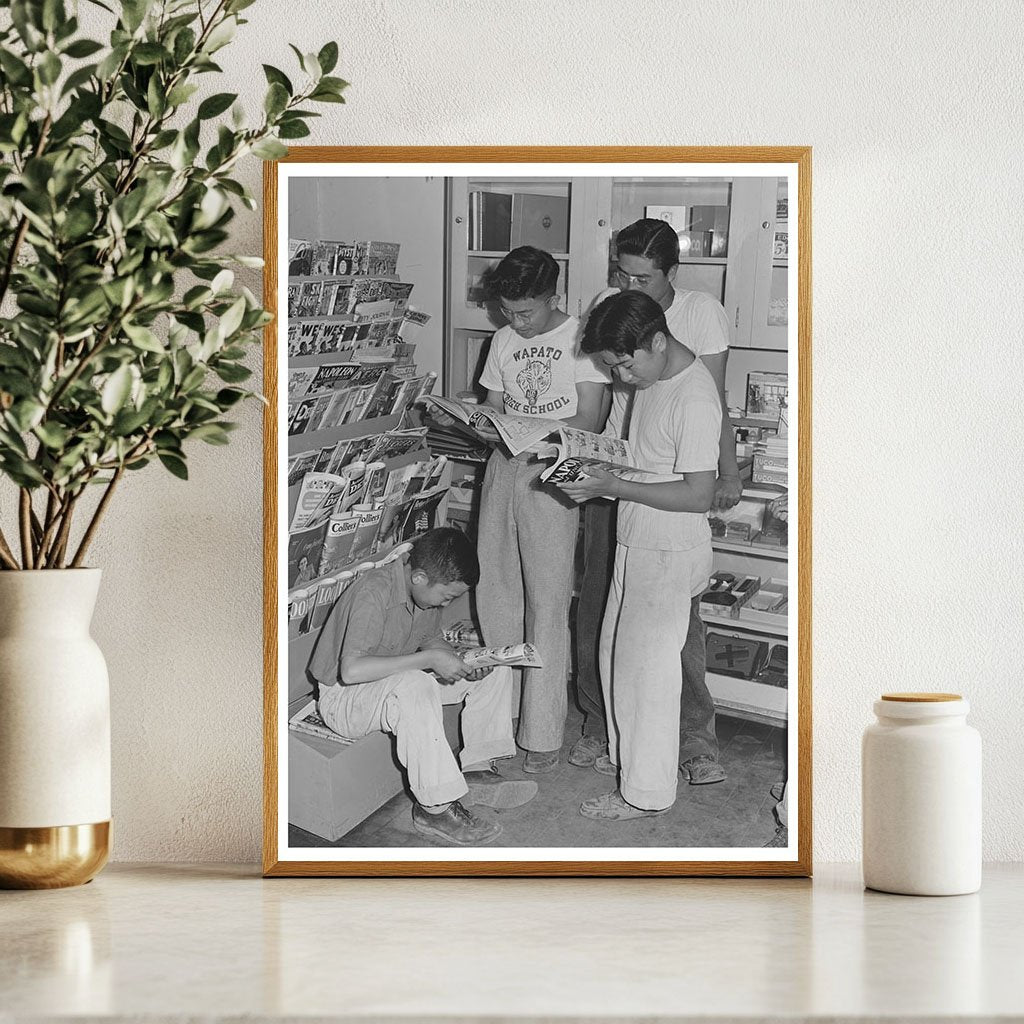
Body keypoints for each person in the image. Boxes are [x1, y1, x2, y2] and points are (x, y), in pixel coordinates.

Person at [569, 218, 739, 782]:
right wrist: (603, 467)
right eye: (621, 273)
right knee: (624, 649)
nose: (626, 283)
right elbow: (640, 440)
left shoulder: (686, 379)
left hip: (663, 531)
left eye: (640, 276)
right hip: (637, 516)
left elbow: (695, 481)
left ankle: (667, 767)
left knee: (654, 665)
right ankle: (623, 753)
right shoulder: (649, 378)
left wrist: (616, 483)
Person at [307, 528, 537, 846]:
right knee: (414, 685)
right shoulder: (374, 591)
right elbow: (352, 670)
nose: (448, 602)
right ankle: (434, 808)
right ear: (419, 577)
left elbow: (430, 639)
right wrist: (430, 658)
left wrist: (462, 661)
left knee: (493, 672)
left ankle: (478, 769)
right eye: (448, 596)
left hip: (386, 685)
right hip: (345, 699)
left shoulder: (421, 591)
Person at [473, 246, 608, 774]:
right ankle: (497, 720)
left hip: (554, 473)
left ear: (553, 298)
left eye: (525, 311)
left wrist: (540, 435)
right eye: (507, 310)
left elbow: (593, 419)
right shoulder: (503, 339)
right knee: (497, 592)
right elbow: (492, 407)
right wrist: (477, 420)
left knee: (548, 603)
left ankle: (542, 731)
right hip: (504, 468)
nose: (515, 321)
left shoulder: (581, 340)